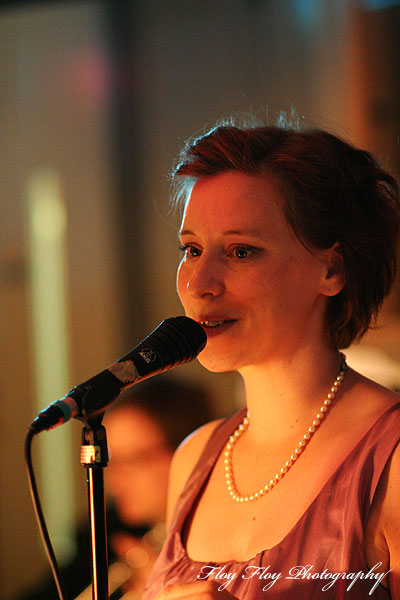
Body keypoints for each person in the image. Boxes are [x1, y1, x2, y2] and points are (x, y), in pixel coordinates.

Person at [143, 122, 400, 599]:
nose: (201, 283)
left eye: (241, 252)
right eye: (192, 249)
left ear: (332, 268)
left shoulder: (392, 460)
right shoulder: (195, 457)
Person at [16, 376, 212, 600]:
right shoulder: (105, 529)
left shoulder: (213, 546)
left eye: (131, 460)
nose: (114, 476)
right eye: (111, 460)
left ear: (184, 451)